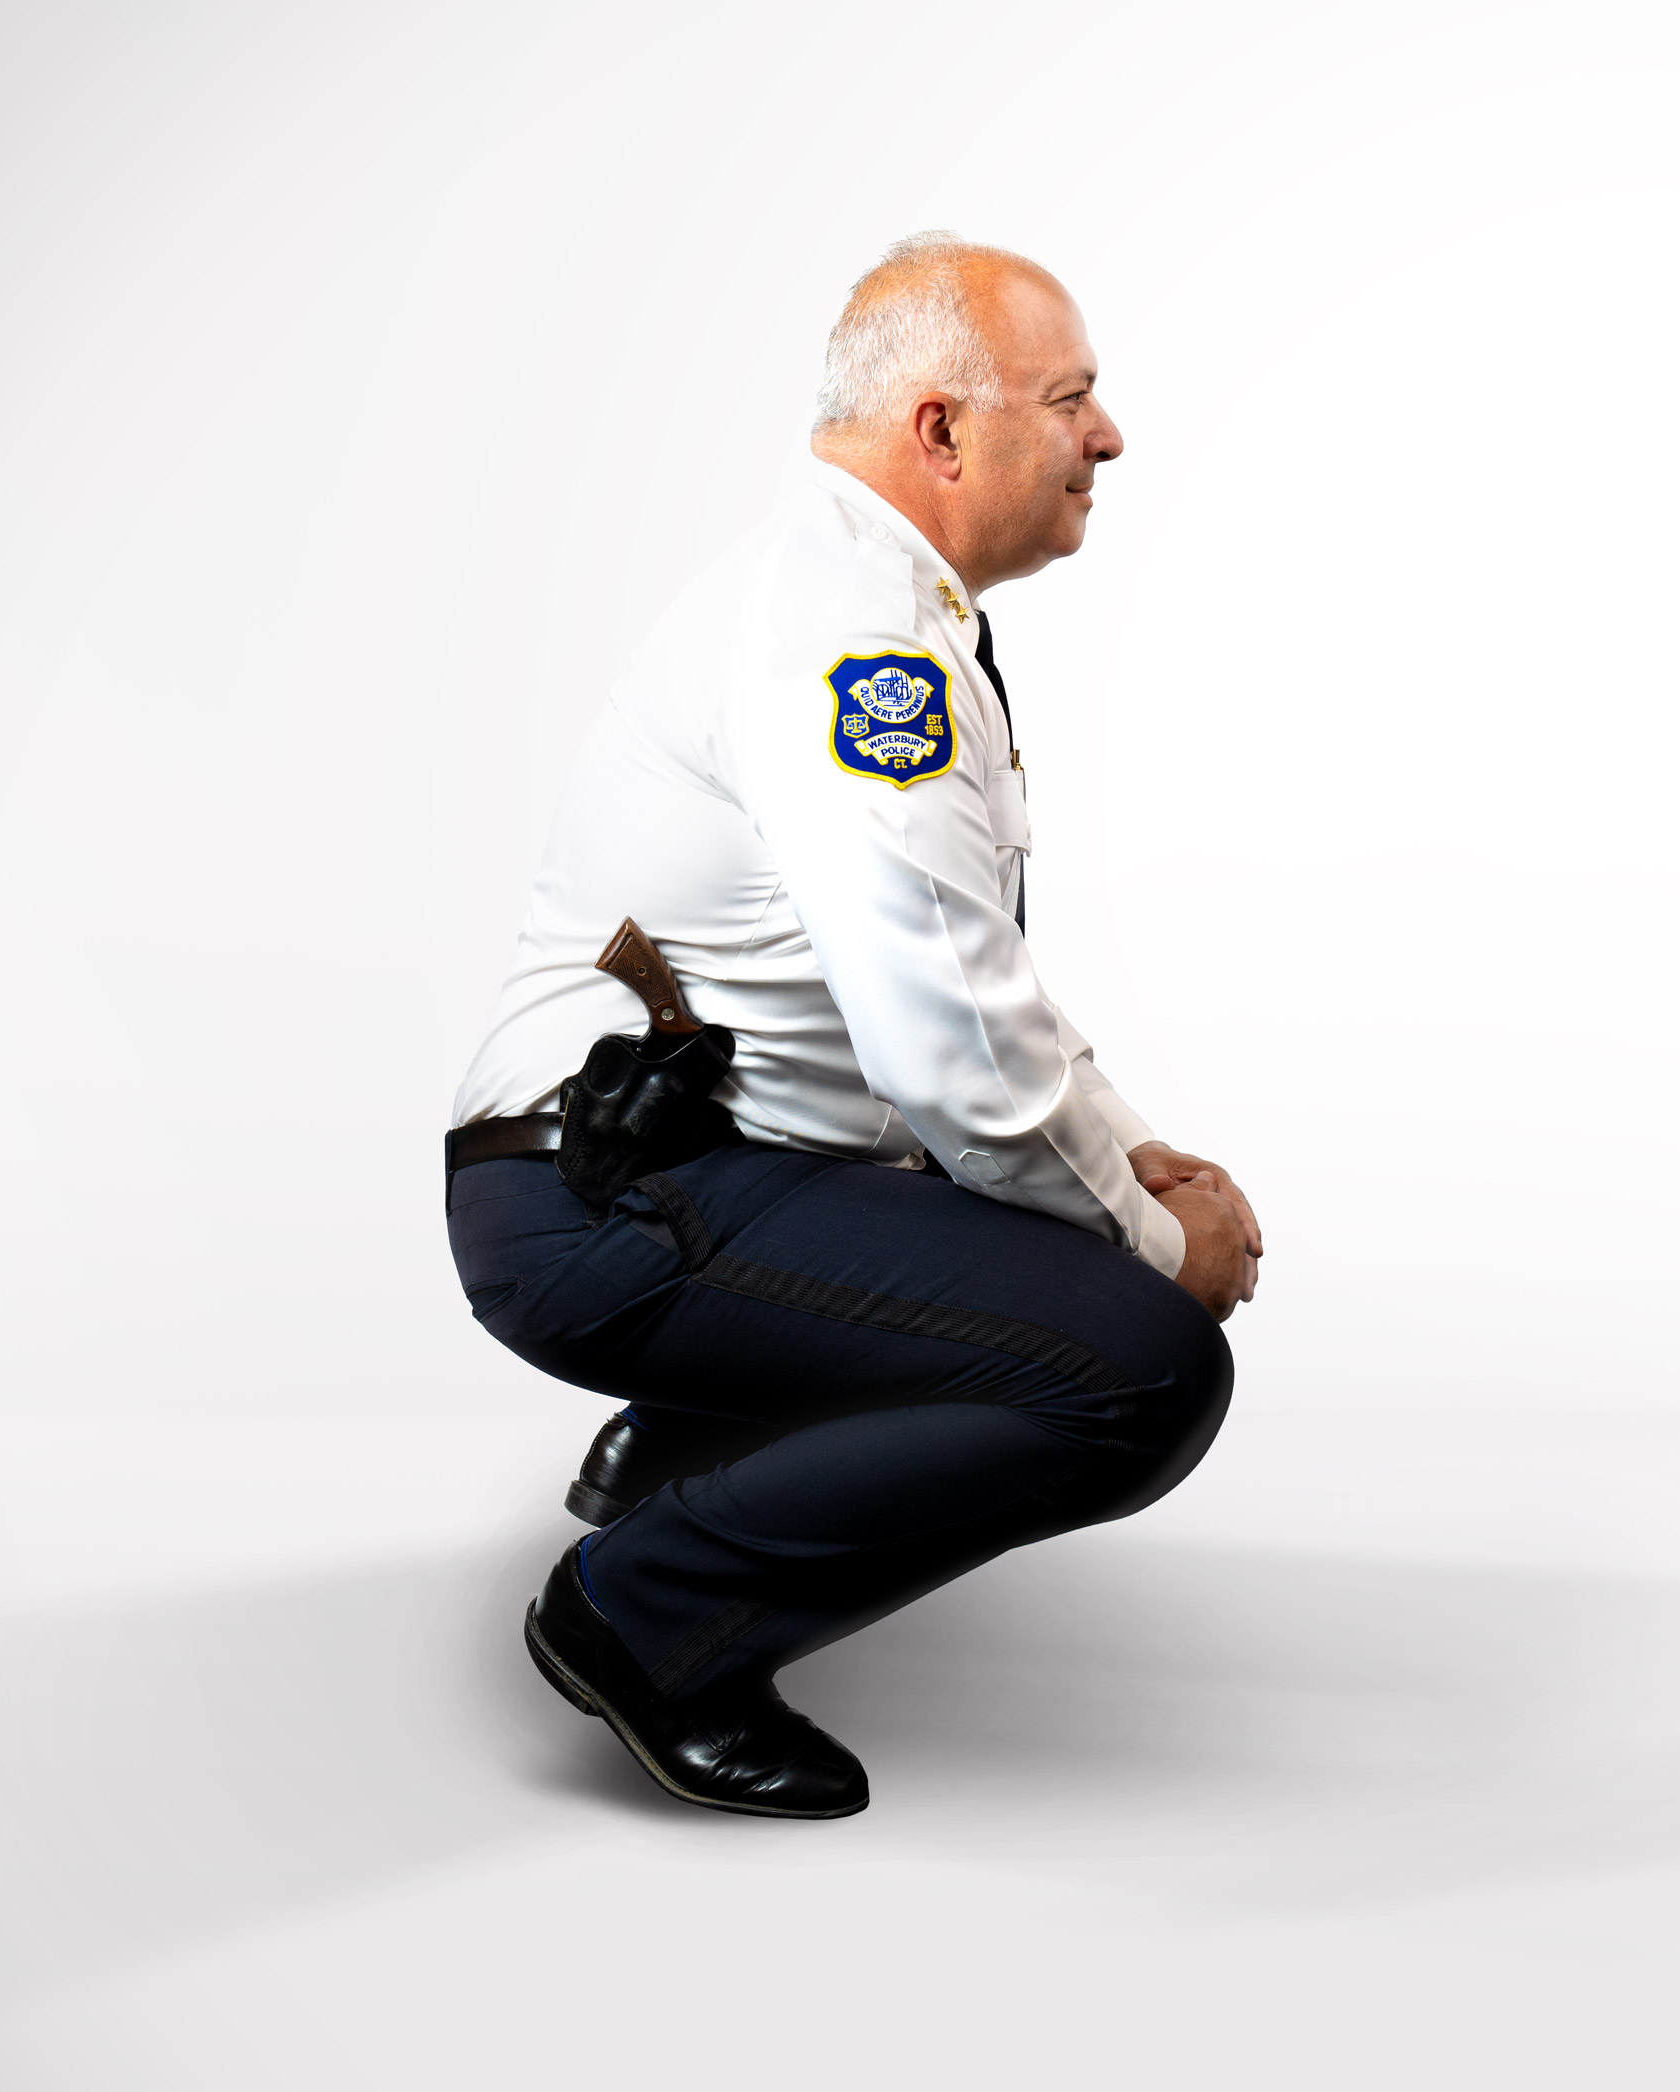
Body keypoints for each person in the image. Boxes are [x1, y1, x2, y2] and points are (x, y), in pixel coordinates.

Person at [443, 234, 1261, 1817]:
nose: (1109, 435)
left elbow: (966, 991)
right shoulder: (859, 637)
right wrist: (1163, 1252)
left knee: (1021, 1221)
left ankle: (676, 1454)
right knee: (1142, 1372)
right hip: (604, 1202)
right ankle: (647, 1616)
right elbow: (948, 1049)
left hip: (663, 1167)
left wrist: (1130, 1152)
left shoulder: (853, 591)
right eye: (1073, 397)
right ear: (943, 427)